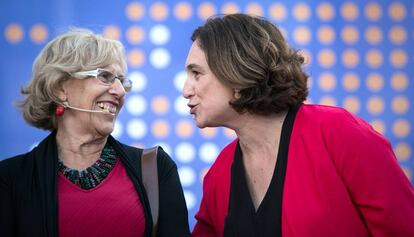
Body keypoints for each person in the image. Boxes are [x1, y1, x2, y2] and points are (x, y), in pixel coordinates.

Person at [183, 14, 414, 237]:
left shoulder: (338, 133)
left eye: (196, 73)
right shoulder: (219, 173)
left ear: (236, 70)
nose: (186, 90)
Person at [0, 29, 190, 237]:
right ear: (59, 89)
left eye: (121, 81)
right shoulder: (10, 179)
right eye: (105, 76)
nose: (120, 91)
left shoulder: (155, 167)